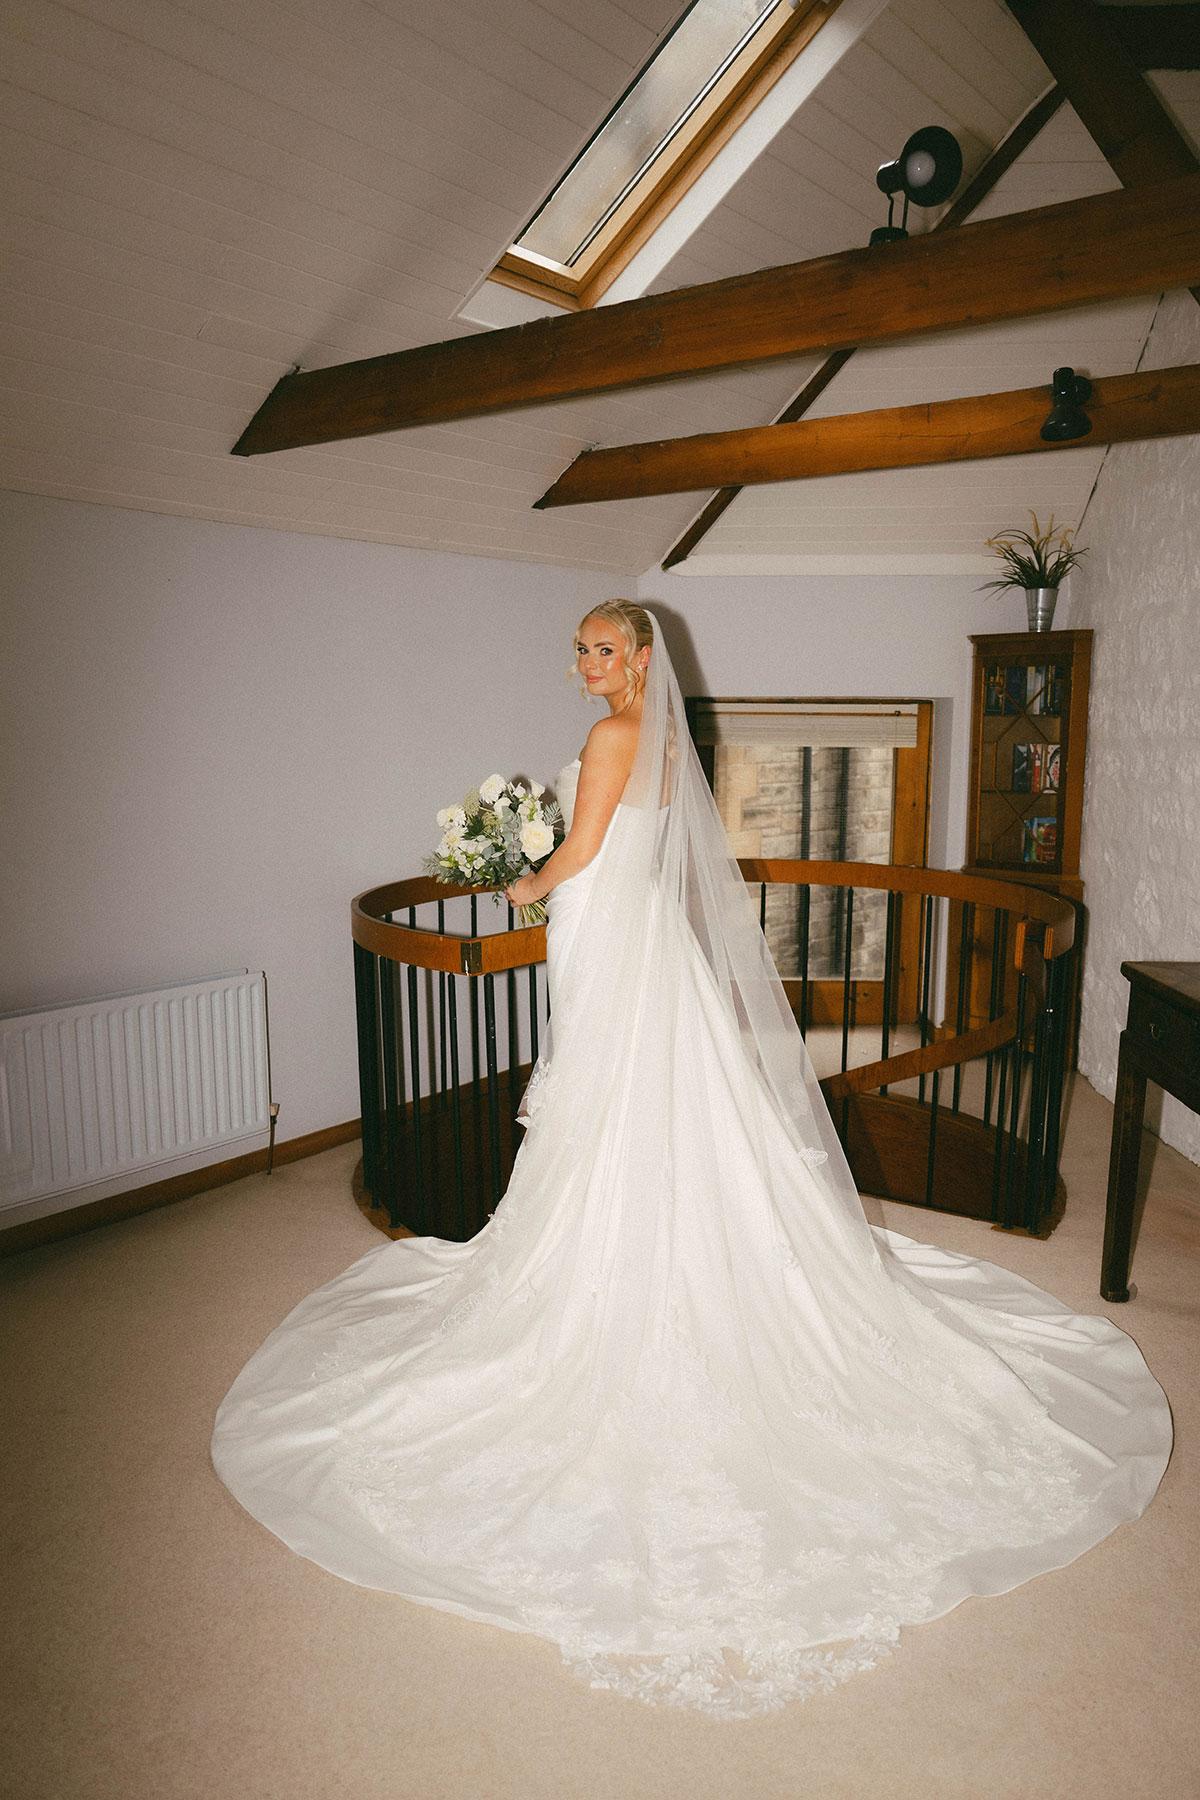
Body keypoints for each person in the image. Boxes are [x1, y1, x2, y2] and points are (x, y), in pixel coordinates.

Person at [213, 602, 1171, 1720]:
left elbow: (580, 854)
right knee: (652, 1098)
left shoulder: (616, 738)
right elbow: (630, 847)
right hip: (638, 940)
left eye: (603, 648)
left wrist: (515, 882)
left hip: (602, 938)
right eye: (576, 646)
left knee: (610, 1098)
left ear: (639, 658)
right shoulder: (664, 737)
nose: (584, 663)